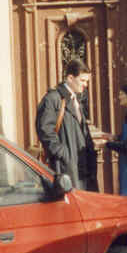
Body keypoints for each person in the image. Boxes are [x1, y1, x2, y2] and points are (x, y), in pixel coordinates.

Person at [35, 57, 98, 191]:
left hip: (82, 169)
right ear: (70, 78)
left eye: (87, 81)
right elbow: (45, 130)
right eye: (82, 80)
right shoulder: (53, 99)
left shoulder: (76, 99)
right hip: (67, 170)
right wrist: (64, 154)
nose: (86, 85)